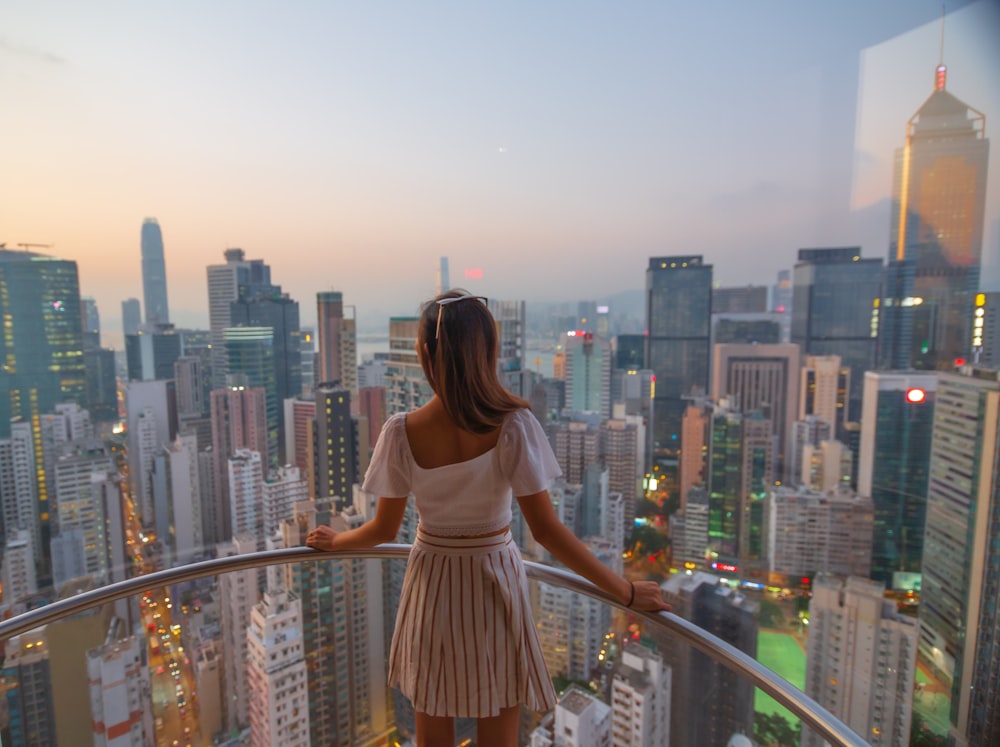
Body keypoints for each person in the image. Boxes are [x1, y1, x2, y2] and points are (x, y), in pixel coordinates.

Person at [306, 290, 669, 747]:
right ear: (489, 353)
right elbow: (546, 531)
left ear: (425, 355)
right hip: (494, 583)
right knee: (499, 731)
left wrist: (335, 541)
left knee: (432, 730)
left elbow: (381, 530)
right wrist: (627, 591)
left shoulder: (399, 432)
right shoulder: (513, 425)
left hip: (431, 582)